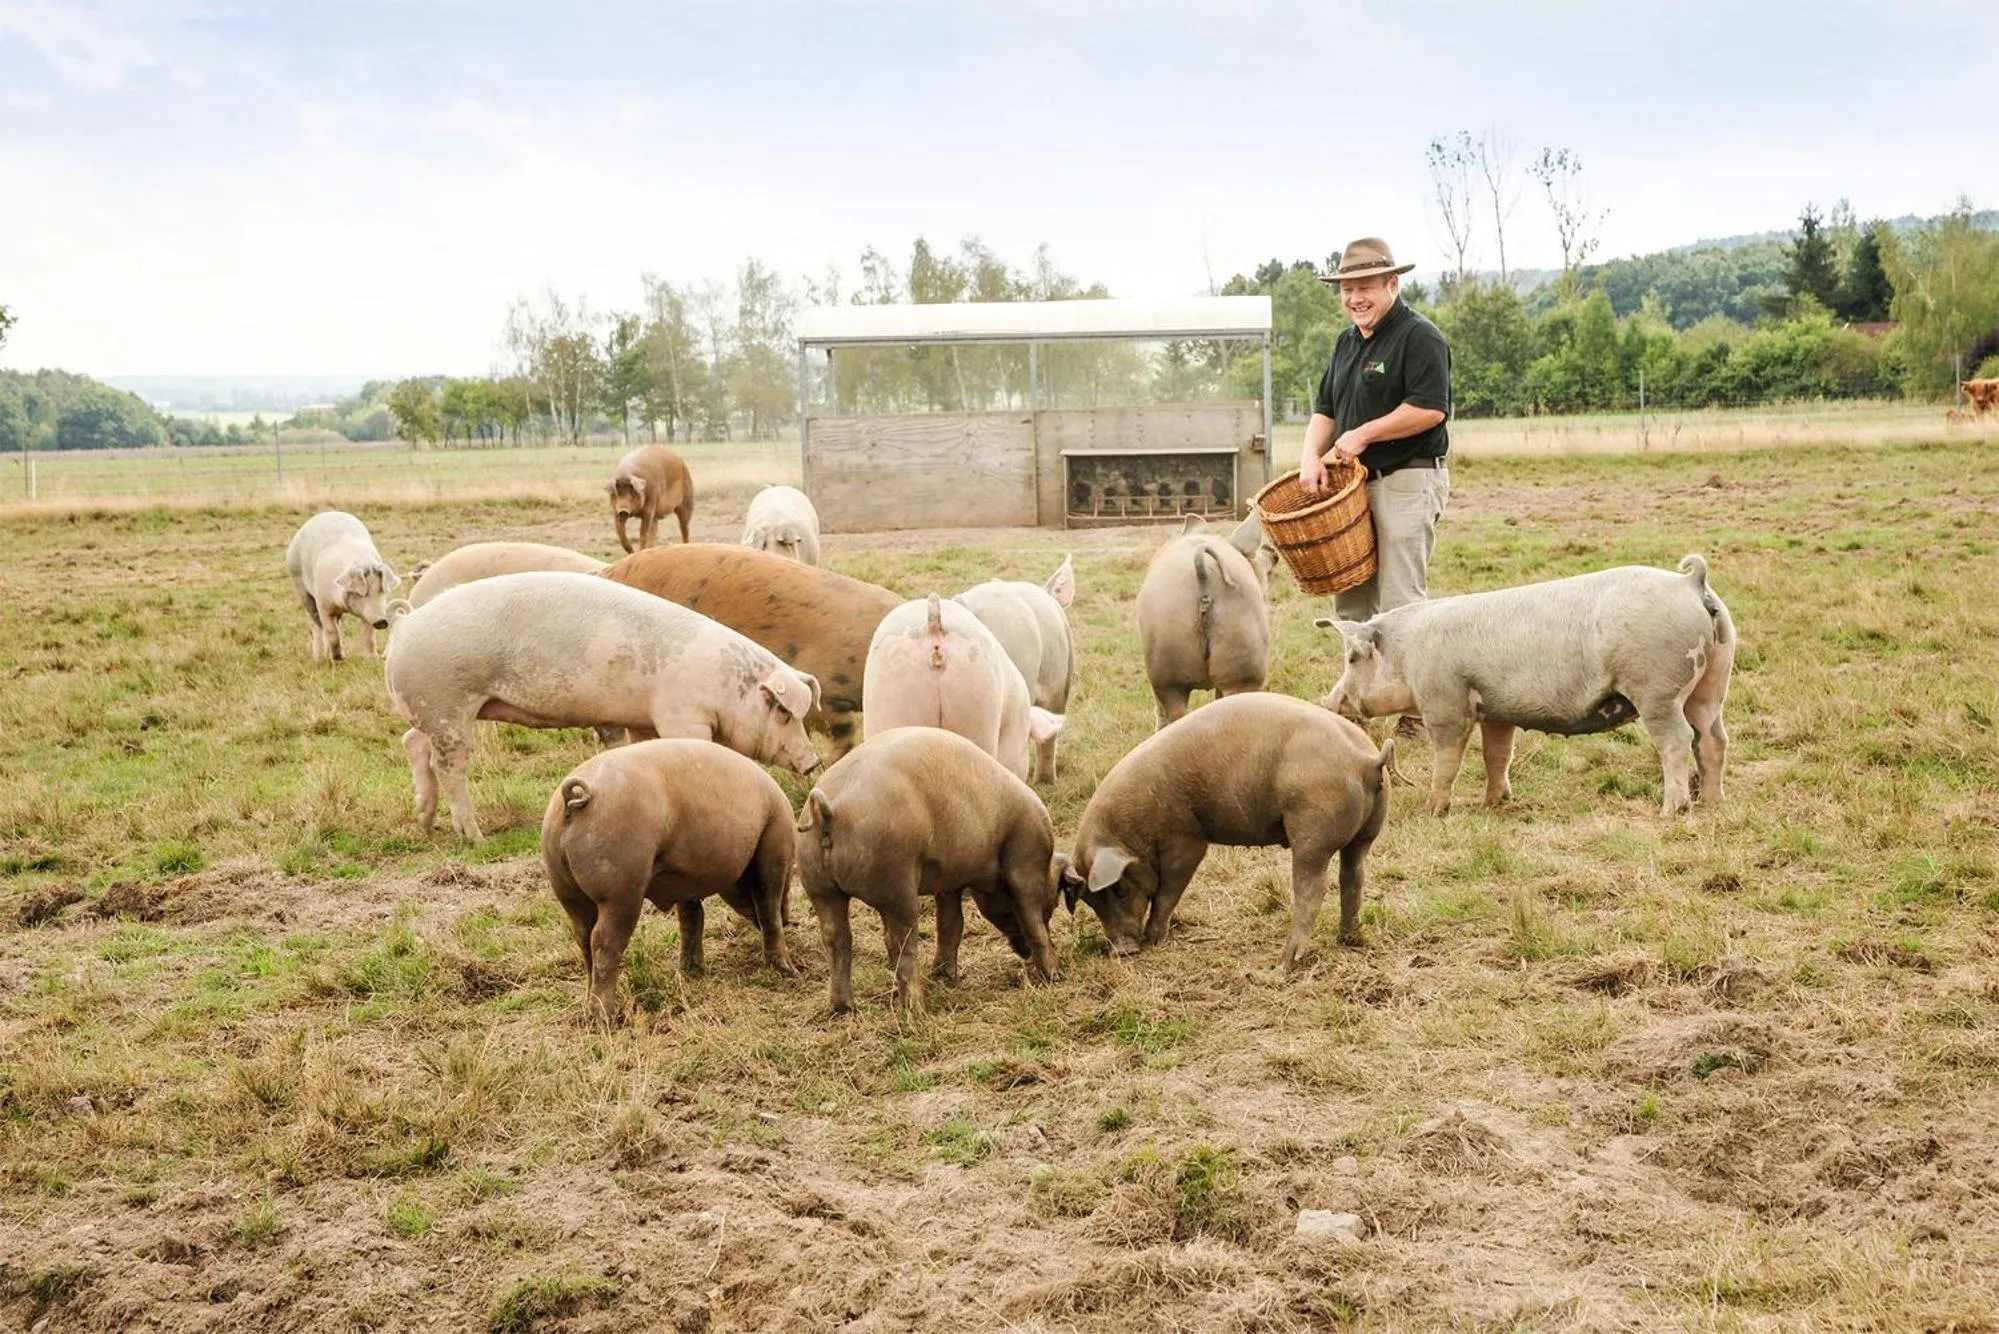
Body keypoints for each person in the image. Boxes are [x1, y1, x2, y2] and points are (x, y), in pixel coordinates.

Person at [1298, 237, 1452, 625]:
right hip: (1351, 489)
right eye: (1347, 290)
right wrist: (1310, 457)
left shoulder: (1419, 336)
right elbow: (1326, 409)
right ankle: (1360, 686)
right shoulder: (1346, 343)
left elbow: (1430, 408)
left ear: (1392, 285)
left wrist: (1364, 433)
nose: (1355, 298)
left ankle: (1407, 686)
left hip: (1405, 479)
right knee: (1350, 598)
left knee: (1399, 601)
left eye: (1365, 287)